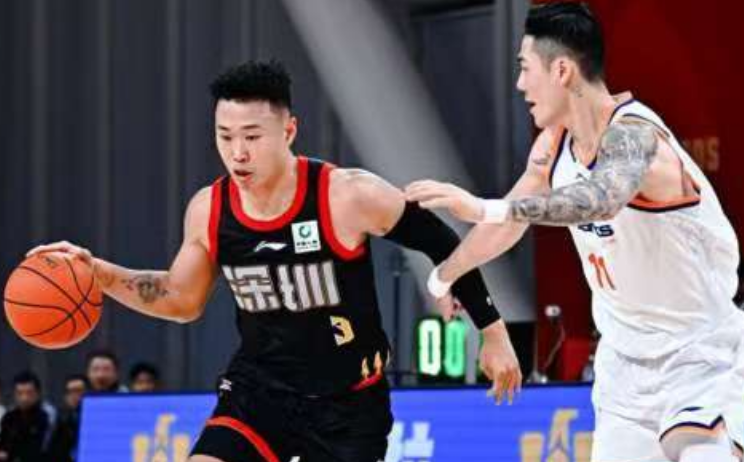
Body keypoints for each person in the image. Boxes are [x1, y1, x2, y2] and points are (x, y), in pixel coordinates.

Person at [27, 60, 520, 462]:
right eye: (224, 136)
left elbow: (440, 239)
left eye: (252, 136)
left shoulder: (346, 195)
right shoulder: (209, 209)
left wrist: (492, 331)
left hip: (348, 405)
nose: (237, 152)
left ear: (289, 130)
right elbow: (180, 299)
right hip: (259, 392)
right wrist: (98, 273)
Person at [405, 3, 744, 462]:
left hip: (698, 352)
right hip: (623, 365)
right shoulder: (553, 146)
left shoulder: (636, 138)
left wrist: (482, 206)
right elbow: (509, 224)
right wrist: (445, 275)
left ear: (561, 70)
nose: (519, 84)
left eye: (525, 68)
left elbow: (601, 198)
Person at [0, 372, 52, 462]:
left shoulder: (46, 418)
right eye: (19, 393)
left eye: (29, 393)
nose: (24, 398)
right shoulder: (9, 418)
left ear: (38, 394)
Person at [47, 375, 88, 462]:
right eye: (70, 392)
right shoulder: (60, 419)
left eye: (79, 391)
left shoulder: (96, 419)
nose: (74, 396)